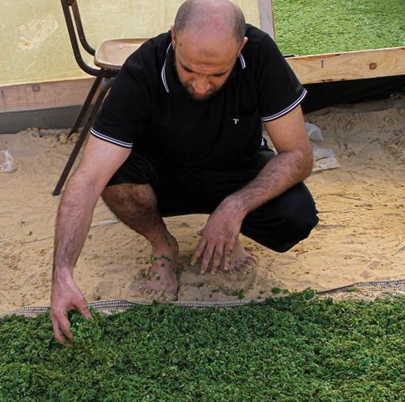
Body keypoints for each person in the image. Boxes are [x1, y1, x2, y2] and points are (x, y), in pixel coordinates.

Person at [50, 0, 318, 344]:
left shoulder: (261, 54)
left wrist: (235, 206)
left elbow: (299, 155)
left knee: (296, 216)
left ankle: (228, 228)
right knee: (115, 180)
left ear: (240, 48)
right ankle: (163, 246)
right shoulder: (141, 70)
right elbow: (88, 178)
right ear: (174, 38)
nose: (202, 86)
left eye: (217, 74)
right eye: (189, 70)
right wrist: (62, 274)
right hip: (167, 173)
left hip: (236, 168)